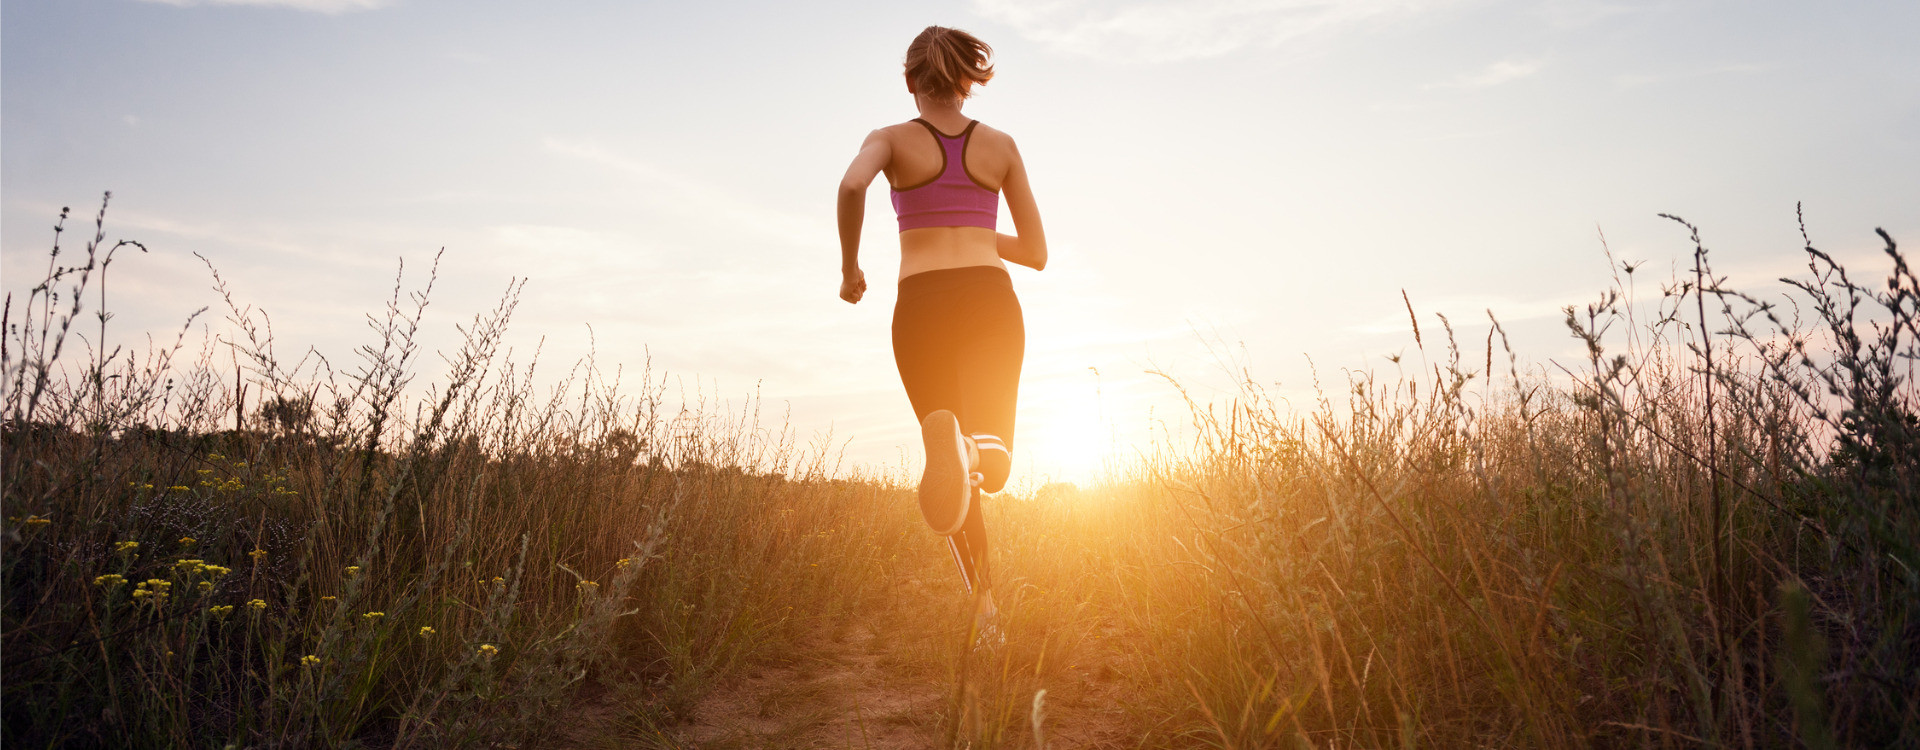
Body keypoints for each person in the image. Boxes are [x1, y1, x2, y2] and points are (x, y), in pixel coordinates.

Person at [835, 25, 1047, 636]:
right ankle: (972, 450)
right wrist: (979, 231)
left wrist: (851, 269)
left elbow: (852, 184)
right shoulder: (1001, 146)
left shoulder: (890, 139)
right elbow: (1035, 252)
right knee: (993, 464)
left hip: (920, 308)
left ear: (910, 82)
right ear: (966, 82)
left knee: (959, 483)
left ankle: (987, 617)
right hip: (988, 301)